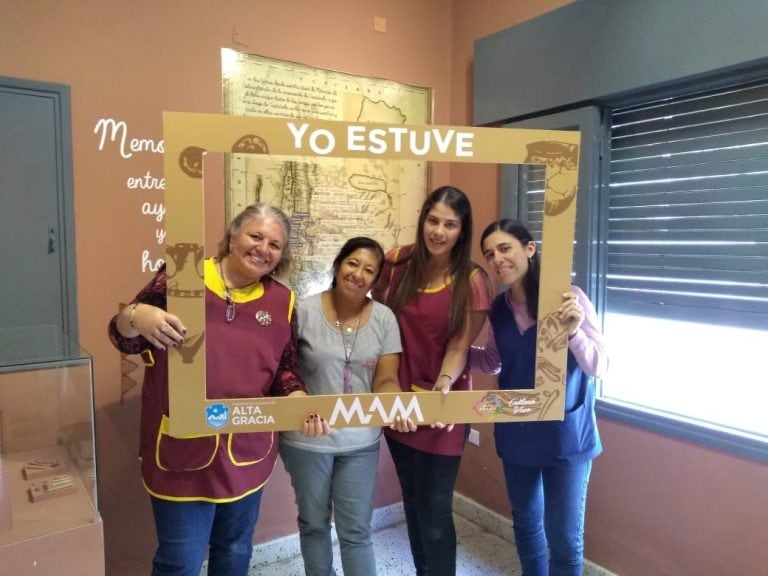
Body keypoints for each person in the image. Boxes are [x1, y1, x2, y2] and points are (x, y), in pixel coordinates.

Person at [108, 203, 329, 576]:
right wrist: (136, 315)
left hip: (246, 451)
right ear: (232, 236)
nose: (263, 249)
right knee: (179, 562)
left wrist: (297, 400)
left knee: (234, 552)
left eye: (275, 244)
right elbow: (124, 338)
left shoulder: (282, 301)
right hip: (181, 451)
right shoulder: (180, 279)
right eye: (255, 236)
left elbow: (285, 369)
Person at [471, 219, 609, 576]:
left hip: (565, 433)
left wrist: (575, 333)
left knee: (564, 537)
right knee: (527, 524)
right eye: (490, 254)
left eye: (505, 248)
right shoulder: (499, 309)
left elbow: (600, 365)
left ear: (529, 249)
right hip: (517, 432)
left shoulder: (569, 297)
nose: (497, 259)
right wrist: (448, 348)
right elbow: (493, 360)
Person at [372, 185, 492, 576]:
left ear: (462, 230)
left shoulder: (472, 280)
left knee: (436, 514)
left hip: (443, 407)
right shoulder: (395, 263)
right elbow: (375, 319)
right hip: (399, 402)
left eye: (450, 225)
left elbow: (459, 348)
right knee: (413, 502)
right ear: (423, 219)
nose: (438, 232)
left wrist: (441, 390)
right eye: (433, 220)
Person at [280, 236, 413, 576]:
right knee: (313, 524)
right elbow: (284, 370)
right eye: (353, 263)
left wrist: (392, 401)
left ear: (376, 279)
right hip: (307, 440)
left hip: (361, 442)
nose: (359, 274)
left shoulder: (383, 318)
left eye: (369, 270)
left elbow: (386, 378)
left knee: (356, 531)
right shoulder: (302, 311)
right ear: (338, 265)